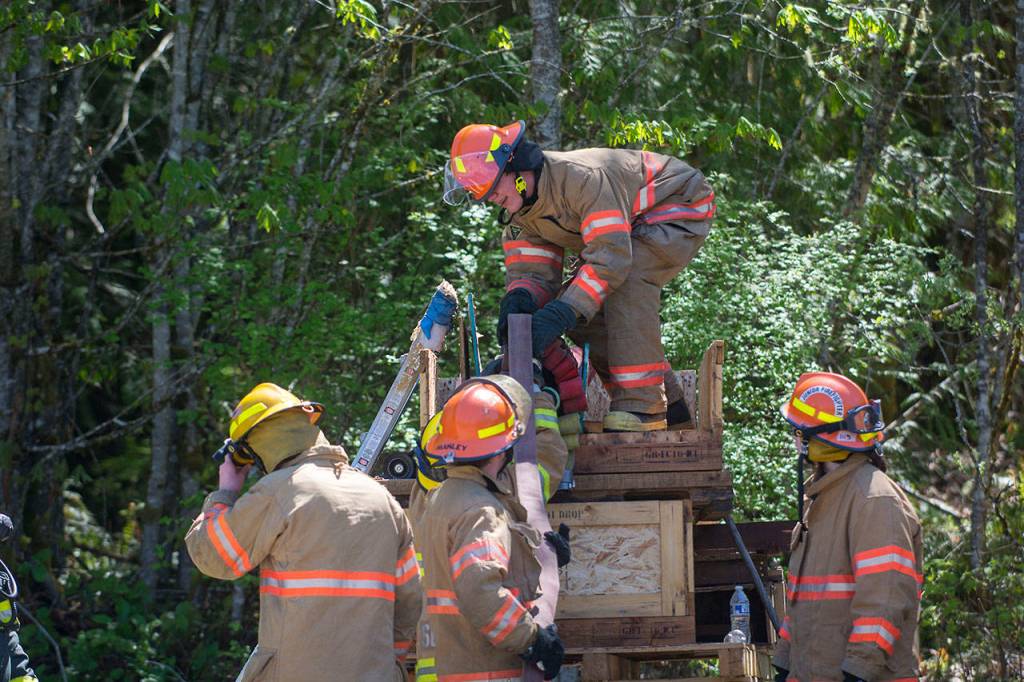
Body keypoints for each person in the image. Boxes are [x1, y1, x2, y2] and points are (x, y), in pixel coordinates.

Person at [443, 121, 715, 432]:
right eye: (482, 193)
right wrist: (520, 302)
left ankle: (644, 408)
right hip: (628, 232)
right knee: (584, 315)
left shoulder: (580, 178)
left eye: (493, 188)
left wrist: (562, 312)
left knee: (624, 284)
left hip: (680, 205)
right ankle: (674, 407)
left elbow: (611, 260)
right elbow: (533, 273)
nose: (489, 198)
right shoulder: (522, 213)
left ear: (516, 168)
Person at [184, 383, 421, 682]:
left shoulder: (278, 492)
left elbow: (215, 557)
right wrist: (383, 661)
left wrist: (225, 493)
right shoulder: (381, 499)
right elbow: (411, 602)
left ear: (253, 449)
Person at [414, 375, 566, 681]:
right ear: (503, 448)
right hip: (487, 669)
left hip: (456, 664)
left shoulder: (446, 496)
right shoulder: (481, 510)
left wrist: (541, 556)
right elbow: (479, 589)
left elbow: (469, 567)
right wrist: (532, 639)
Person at [773, 372, 923, 682]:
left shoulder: (874, 499)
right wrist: (786, 662)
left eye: (799, 430)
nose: (795, 439)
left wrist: (859, 671)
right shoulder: (821, 498)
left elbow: (886, 598)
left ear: (820, 436)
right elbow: (804, 599)